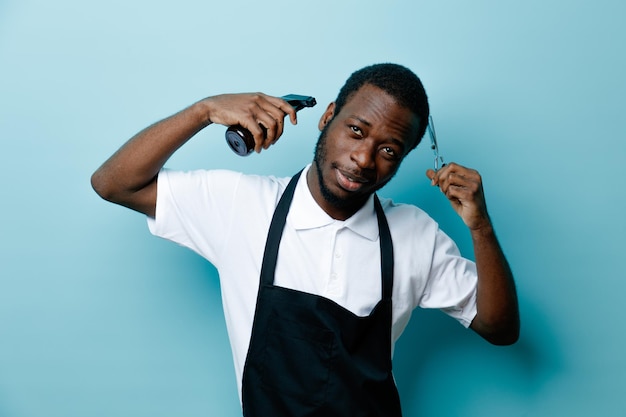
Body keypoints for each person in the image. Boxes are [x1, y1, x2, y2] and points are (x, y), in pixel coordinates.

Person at [91, 63, 519, 416]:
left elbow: (499, 327)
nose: (364, 158)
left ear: (404, 158)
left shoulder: (415, 235)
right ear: (327, 115)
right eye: (355, 129)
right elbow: (114, 184)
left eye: (389, 150)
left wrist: (480, 227)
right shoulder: (241, 206)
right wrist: (204, 111)